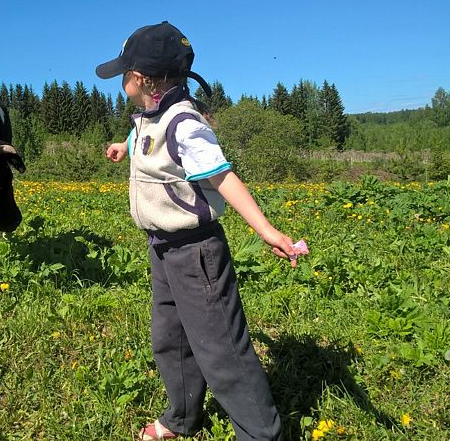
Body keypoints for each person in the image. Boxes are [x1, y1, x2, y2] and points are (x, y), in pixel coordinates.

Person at [96, 22, 301, 440]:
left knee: (222, 352)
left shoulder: (185, 123)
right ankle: (183, 417)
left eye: (124, 72)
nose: (120, 80)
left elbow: (222, 177)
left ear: (142, 79)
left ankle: (263, 435)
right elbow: (146, 139)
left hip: (196, 254)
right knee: (169, 338)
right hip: (162, 249)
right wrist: (123, 146)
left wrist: (267, 231)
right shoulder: (150, 117)